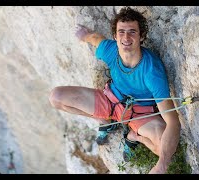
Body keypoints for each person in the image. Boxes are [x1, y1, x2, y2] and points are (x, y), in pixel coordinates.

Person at [49, 7, 181, 174]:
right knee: (56, 97)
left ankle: (134, 136)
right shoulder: (111, 50)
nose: (126, 37)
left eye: (132, 32)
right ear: (115, 36)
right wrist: (84, 35)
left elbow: (173, 122)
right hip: (110, 101)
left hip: (140, 114)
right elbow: (95, 39)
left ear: (141, 36)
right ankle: (106, 121)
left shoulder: (151, 71)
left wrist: (161, 165)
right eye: (121, 32)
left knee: (165, 148)